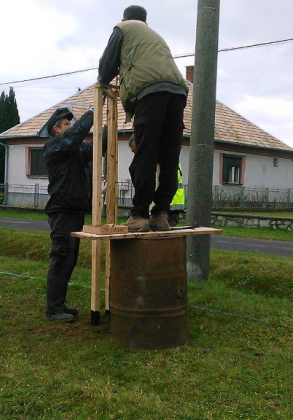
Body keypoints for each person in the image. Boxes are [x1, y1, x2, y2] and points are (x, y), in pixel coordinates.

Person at [98, 4, 188, 232]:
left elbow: (106, 65)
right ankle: (160, 215)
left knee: (145, 154)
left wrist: (103, 79)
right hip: (177, 92)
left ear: (125, 18)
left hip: (150, 93)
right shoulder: (154, 37)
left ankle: (139, 216)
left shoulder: (123, 28)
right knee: (168, 157)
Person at [42, 106, 97, 323]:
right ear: (56, 130)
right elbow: (75, 136)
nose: (70, 127)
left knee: (69, 259)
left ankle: (58, 303)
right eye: (66, 124)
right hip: (62, 210)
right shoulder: (54, 146)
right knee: (61, 257)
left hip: (74, 210)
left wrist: (107, 129)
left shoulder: (74, 149)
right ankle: (53, 309)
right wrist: (91, 114)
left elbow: (92, 148)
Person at [128, 134, 184, 227]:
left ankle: (140, 217)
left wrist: (140, 210)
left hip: (170, 205)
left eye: (135, 151)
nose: (135, 155)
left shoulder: (149, 155)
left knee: (140, 166)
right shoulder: (169, 157)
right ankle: (158, 217)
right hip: (168, 205)